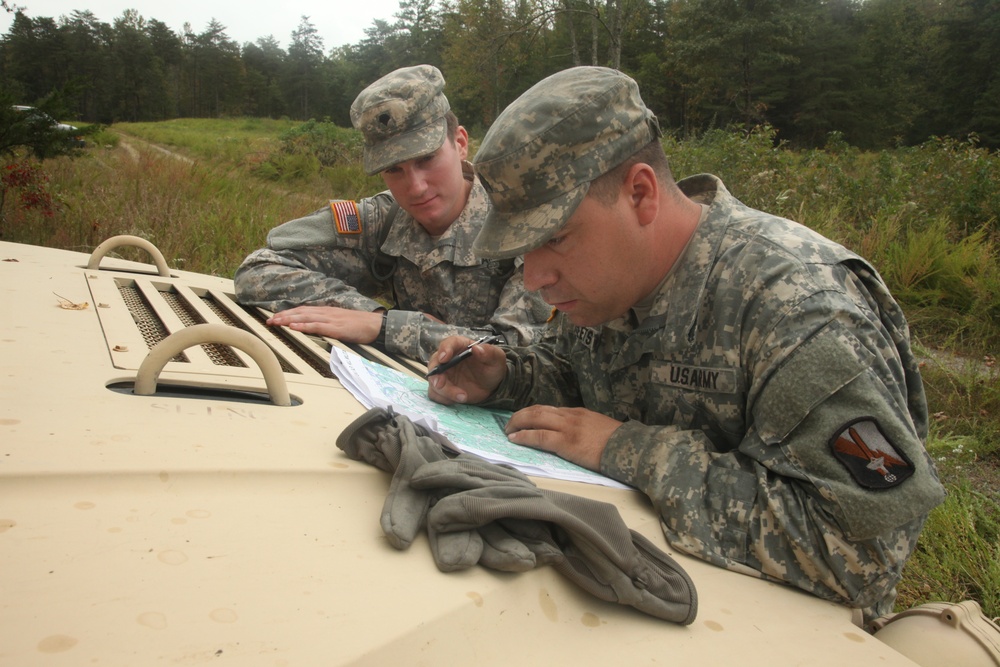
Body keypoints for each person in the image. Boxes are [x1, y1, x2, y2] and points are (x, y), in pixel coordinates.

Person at [426, 66, 946, 623]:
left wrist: (627, 449)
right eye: (521, 251)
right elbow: (579, 372)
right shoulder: (607, 280)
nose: (533, 278)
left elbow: (859, 553)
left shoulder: (798, 308)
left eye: (553, 239)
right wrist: (507, 375)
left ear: (640, 194)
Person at [234, 65, 551, 363]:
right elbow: (257, 271)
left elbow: (519, 356)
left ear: (460, 143)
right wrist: (371, 314)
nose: (415, 187)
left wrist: (389, 329)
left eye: (427, 159)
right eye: (394, 169)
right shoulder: (383, 220)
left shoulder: (519, 225)